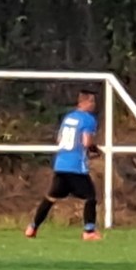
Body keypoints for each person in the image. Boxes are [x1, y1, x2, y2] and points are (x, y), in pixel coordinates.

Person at [25, 89, 103, 241]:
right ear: (84, 102)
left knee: (51, 198)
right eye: (92, 101)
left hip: (61, 163)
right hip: (76, 166)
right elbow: (86, 142)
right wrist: (94, 149)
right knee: (90, 197)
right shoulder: (88, 119)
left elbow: (59, 138)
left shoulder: (69, 117)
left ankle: (32, 227)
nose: (94, 105)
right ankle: (89, 232)